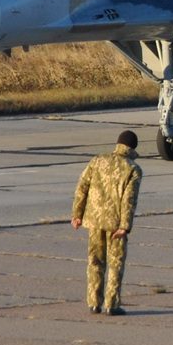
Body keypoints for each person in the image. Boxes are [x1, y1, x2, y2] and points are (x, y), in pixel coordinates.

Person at [71, 130, 143, 314]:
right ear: (133, 147)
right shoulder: (132, 169)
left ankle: (94, 302)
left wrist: (77, 214)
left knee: (95, 261)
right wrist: (125, 227)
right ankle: (112, 304)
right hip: (115, 224)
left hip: (94, 219)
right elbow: (129, 200)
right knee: (115, 264)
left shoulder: (97, 160)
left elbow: (82, 186)